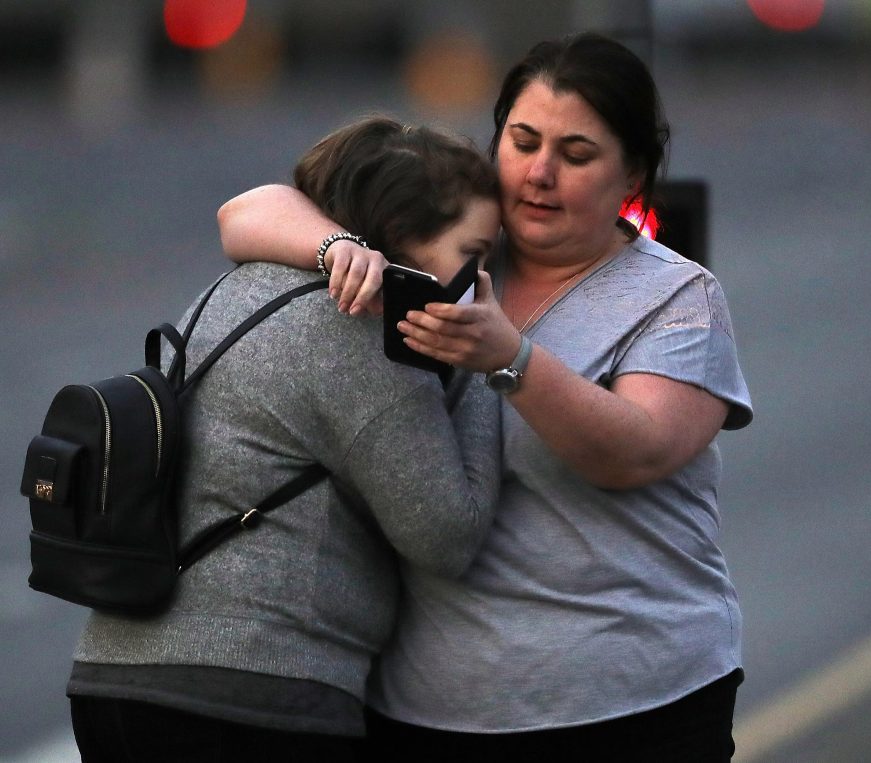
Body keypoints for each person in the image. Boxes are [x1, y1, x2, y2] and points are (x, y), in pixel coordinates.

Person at [218, 32, 753, 762]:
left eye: (576, 154)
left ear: (632, 175)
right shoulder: (449, 243)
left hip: (634, 703)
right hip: (424, 710)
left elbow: (638, 450)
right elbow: (248, 211)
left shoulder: (678, 295)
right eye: (523, 140)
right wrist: (335, 246)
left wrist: (513, 359)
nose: (539, 173)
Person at [66, 117, 502, 762]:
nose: (484, 278)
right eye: (475, 254)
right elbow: (446, 536)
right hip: (252, 697)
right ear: (406, 243)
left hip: (113, 676)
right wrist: (484, 364)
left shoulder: (236, 286)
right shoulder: (360, 337)